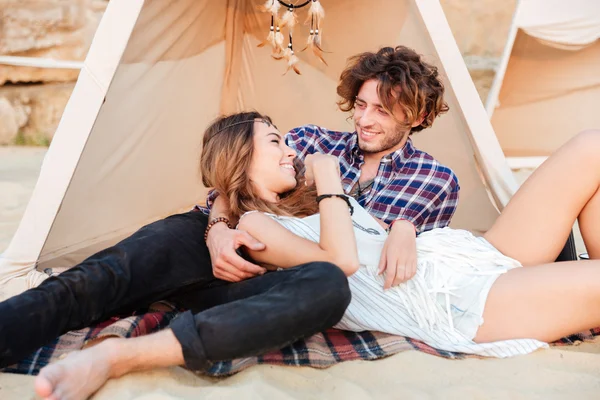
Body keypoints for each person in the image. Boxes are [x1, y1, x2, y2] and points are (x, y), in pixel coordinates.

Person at [33, 112, 600, 400]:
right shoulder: (256, 223)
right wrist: (330, 184)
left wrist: (396, 219)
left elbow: (371, 230)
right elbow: (343, 264)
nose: (293, 147)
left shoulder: (303, 195)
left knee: (591, 146)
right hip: (456, 300)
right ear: (241, 159)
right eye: (276, 141)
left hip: (469, 254)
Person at [205, 46, 459, 290]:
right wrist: (217, 229)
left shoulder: (436, 180)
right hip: (290, 281)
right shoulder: (309, 141)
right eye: (361, 105)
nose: (364, 120)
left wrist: (404, 227)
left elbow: (425, 261)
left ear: (418, 117)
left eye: (382, 111)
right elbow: (233, 182)